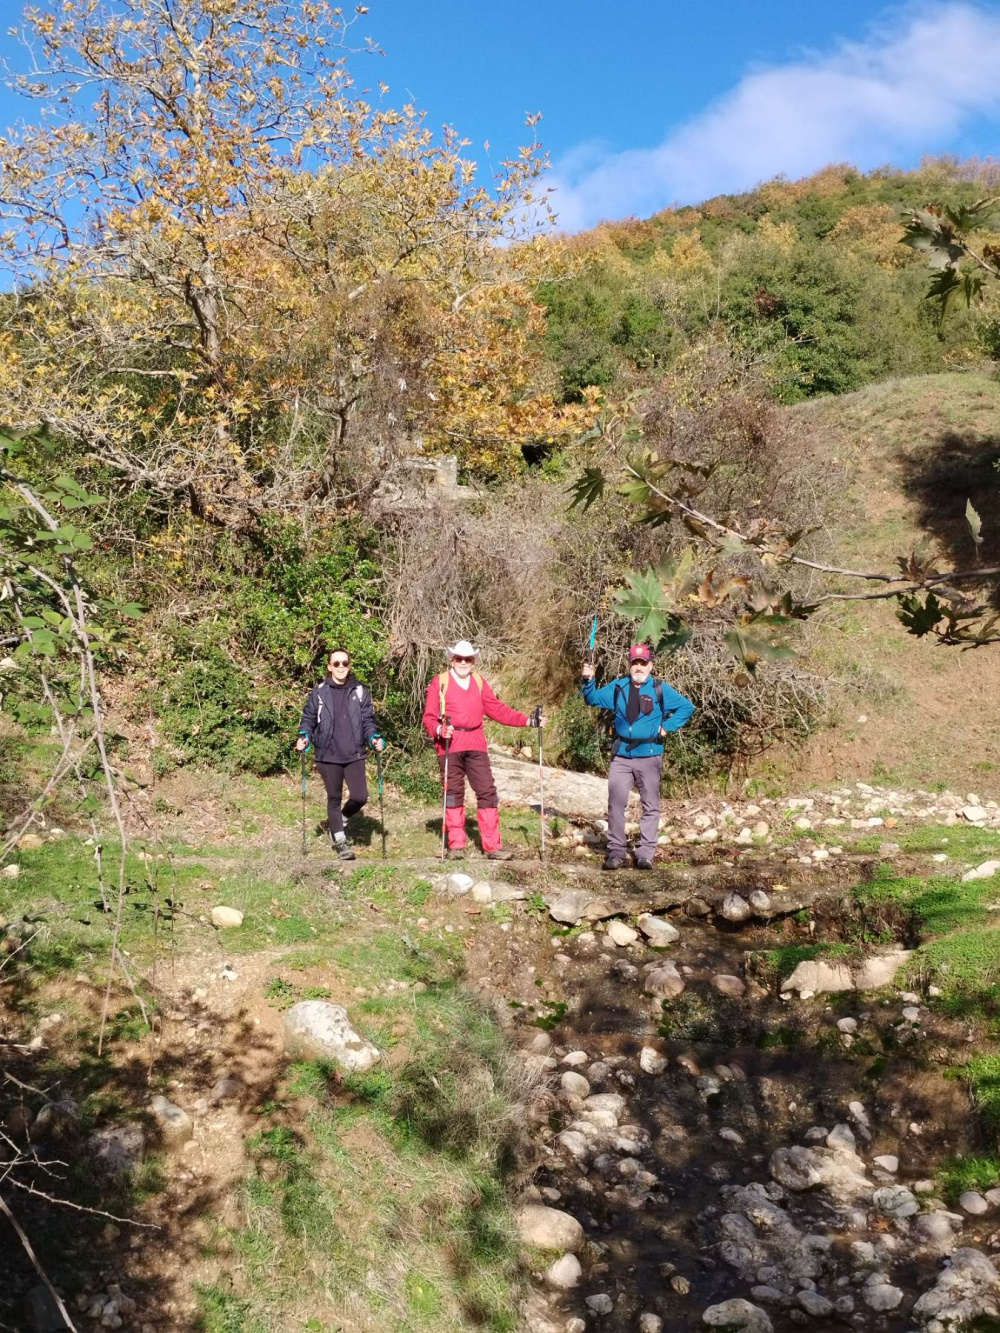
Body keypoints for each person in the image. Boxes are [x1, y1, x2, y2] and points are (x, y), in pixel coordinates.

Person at [422, 640, 542, 860]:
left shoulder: (478, 682)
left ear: (473, 661)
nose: (463, 662)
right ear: (452, 660)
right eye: (459, 658)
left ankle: (492, 846)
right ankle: (456, 845)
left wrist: (528, 721)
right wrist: (440, 729)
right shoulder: (441, 682)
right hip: (449, 744)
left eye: (468, 659)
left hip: (476, 743)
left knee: (487, 791)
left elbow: (497, 709)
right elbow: (429, 717)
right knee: (453, 793)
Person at [581, 642, 694, 871]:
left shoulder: (660, 689)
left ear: (650, 665)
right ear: (629, 664)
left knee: (650, 805)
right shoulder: (618, 686)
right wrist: (588, 680)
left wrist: (667, 727)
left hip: (650, 756)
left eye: (643, 663)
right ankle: (616, 853)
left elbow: (687, 707)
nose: (639, 667)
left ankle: (645, 854)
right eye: (635, 662)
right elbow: (592, 699)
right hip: (621, 756)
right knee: (615, 805)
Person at [296, 648, 384, 860]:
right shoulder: (319, 692)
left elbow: (368, 720)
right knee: (334, 798)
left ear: (349, 665)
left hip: (354, 753)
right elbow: (308, 718)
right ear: (329, 667)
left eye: (345, 663)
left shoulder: (359, 691)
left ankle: (341, 819)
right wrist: (304, 736)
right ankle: (340, 841)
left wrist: (373, 738)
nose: (341, 667)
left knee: (360, 796)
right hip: (327, 754)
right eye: (336, 663)